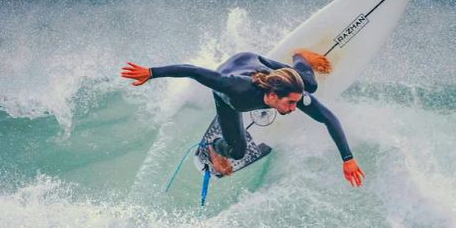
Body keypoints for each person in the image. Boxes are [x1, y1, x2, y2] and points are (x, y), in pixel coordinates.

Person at [121, 49, 365, 187]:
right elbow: (193, 71)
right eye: (290, 103)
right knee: (237, 152)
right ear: (271, 95)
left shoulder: (290, 93)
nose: (294, 107)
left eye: (295, 103)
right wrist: (150, 73)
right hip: (229, 90)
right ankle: (215, 148)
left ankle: (301, 57)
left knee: (310, 85)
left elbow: (328, 118)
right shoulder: (234, 88)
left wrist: (348, 159)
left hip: (260, 63)